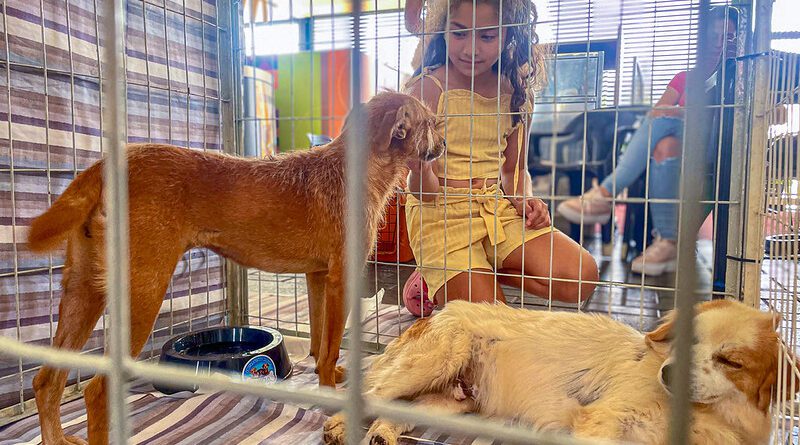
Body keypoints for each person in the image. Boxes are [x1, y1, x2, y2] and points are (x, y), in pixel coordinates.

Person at [402, 0, 598, 305]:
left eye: (487, 36)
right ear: (443, 31)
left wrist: (525, 199)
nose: (471, 50)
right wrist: (420, 169)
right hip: (439, 216)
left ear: (509, 35)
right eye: (459, 33)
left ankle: (465, 273)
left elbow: (514, 169)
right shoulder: (427, 88)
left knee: (581, 276)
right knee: (493, 323)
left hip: (495, 211)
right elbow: (423, 194)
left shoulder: (516, 93)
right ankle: (445, 274)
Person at [556, 6, 738, 276]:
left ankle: (604, 195)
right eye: (714, 36)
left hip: (718, 146)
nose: (720, 43)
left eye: (728, 37)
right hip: (681, 146)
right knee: (662, 141)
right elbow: (657, 112)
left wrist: (682, 113)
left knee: (668, 121)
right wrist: (681, 114)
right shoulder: (684, 78)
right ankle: (668, 241)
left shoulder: (740, 77)